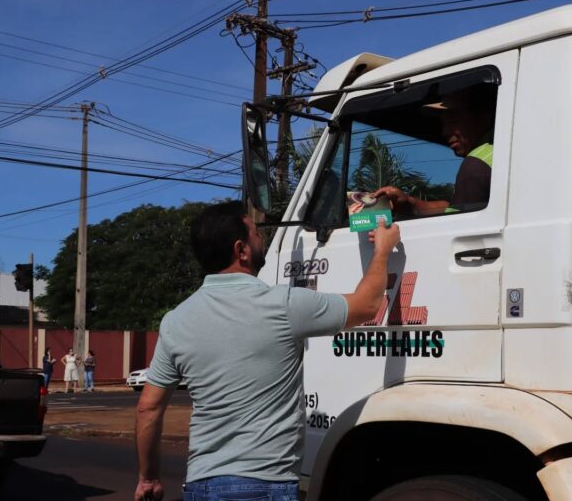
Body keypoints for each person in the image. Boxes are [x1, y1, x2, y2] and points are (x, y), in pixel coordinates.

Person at [134, 201, 400, 501]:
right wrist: (382, 250)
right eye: (255, 233)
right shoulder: (283, 304)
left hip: (201, 485)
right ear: (241, 250)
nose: (262, 238)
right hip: (266, 486)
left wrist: (148, 478)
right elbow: (366, 305)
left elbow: (148, 408)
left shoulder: (175, 321)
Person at [374, 84, 496, 216]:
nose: (445, 132)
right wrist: (410, 203)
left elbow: (457, 224)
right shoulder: (498, 153)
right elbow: (458, 209)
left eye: (454, 121)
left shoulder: (476, 165)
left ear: (483, 119)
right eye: (444, 123)